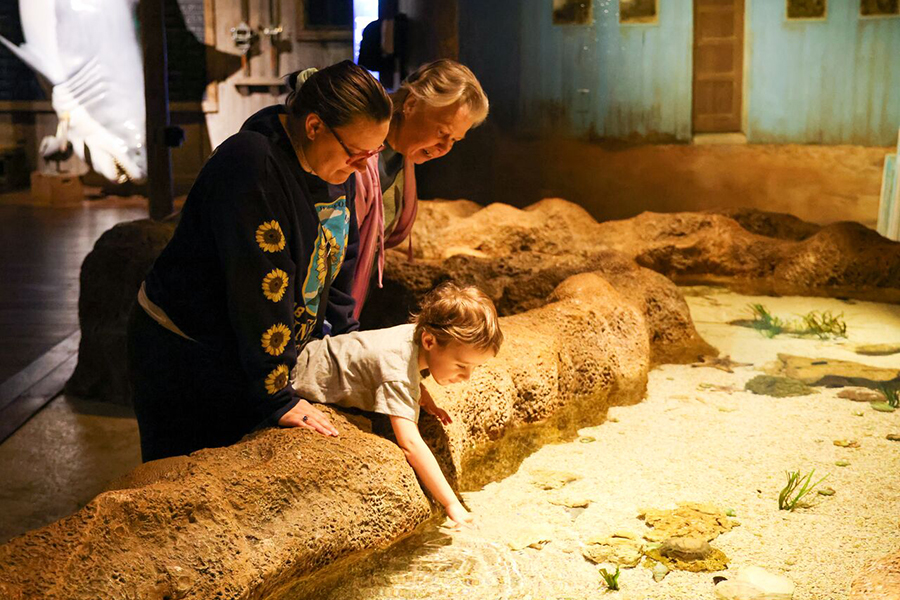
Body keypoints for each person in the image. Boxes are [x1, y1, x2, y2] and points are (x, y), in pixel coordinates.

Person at [127, 60, 392, 462]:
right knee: (187, 473)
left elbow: (340, 258)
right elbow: (261, 287)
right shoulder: (252, 164)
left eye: (373, 154)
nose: (362, 167)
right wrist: (277, 398)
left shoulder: (338, 166)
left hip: (240, 347)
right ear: (315, 126)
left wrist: (344, 344)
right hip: (187, 350)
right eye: (356, 153)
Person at [291, 281, 503, 527]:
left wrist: (420, 394)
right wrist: (451, 503)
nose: (467, 377)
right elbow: (411, 444)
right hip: (296, 378)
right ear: (430, 341)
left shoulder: (411, 334)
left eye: (475, 367)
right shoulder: (397, 369)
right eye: (461, 365)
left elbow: (399, 370)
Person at [351, 59, 490, 317]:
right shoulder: (357, 154)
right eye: (441, 132)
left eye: (455, 140)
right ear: (411, 104)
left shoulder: (404, 156)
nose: (445, 148)